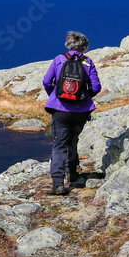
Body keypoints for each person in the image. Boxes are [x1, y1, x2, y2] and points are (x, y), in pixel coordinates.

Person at [42, 31, 102, 196]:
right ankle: (73, 176)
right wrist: (84, 97)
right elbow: (96, 87)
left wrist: (55, 96)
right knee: (72, 141)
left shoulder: (59, 59)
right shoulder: (88, 62)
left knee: (59, 145)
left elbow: (47, 81)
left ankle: (58, 184)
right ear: (85, 47)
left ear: (68, 45)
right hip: (81, 112)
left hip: (60, 110)